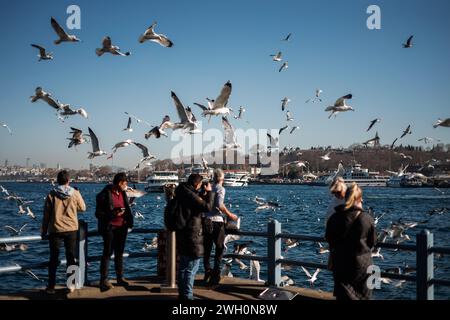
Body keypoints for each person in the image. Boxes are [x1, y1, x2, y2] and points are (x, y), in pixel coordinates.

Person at [325, 183, 377, 300]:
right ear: (359, 199)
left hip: (341, 263)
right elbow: (372, 242)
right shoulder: (366, 218)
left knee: (343, 296)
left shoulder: (334, 218)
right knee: (363, 297)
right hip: (362, 265)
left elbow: (329, 239)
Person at [41, 170, 86, 294]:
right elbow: (83, 208)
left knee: (53, 258)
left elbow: (46, 215)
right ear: (68, 181)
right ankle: (71, 284)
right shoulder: (75, 193)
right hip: (71, 229)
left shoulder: (51, 194)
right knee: (71, 257)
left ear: (57, 181)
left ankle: (51, 286)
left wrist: (43, 231)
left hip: (55, 229)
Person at [175, 174, 214, 300]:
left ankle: (182, 294)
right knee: (191, 268)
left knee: (183, 267)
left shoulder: (182, 192)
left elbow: (194, 206)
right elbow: (207, 207)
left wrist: (201, 196)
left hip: (182, 234)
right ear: (197, 184)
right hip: (192, 235)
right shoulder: (190, 195)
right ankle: (188, 296)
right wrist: (209, 193)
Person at [95, 172, 134, 292]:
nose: (126, 186)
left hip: (122, 227)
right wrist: (114, 213)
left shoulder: (123, 193)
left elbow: (127, 208)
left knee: (119, 253)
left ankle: (119, 277)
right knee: (107, 253)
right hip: (110, 227)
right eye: (125, 183)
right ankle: (104, 280)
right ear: (119, 183)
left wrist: (128, 218)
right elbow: (98, 214)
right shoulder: (103, 195)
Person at [203, 169, 238, 285]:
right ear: (222, 179)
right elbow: (219, 204)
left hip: (206, 221)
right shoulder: (220, 189)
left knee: (207, 248)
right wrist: (230, 215)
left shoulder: (209, 188)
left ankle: (207, 271)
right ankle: (216, 274)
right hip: (217, 221)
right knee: (219, 248)